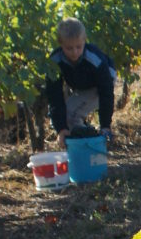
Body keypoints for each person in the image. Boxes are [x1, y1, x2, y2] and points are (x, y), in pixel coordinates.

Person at [45, 18, 116, 148]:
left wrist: (105, 125)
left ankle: (87, 145)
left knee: (70, 115)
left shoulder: (95, 60)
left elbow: (106, 92)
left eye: (79, 47)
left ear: (84, 41)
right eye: (69, 48)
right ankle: (82, 144)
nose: (75, 52)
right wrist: (61, 129)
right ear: (60, 45)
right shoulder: (54, 61)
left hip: (103, 81)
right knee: (66, 119)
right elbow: (54, 96)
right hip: (81, 85)